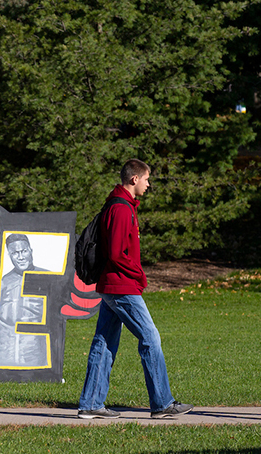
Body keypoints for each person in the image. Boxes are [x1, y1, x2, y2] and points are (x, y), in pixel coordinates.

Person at [78, 159, 192, 419]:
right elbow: (118, 254)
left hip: (114, 284)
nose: (148, 184)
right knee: (151, 338)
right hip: (121, 286)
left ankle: (91, 404)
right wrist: (139, 275)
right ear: (134, 179)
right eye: (146, 179)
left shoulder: (120, 205)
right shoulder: (120, 209)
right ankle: (162, 403)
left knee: (104, 342)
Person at [0, 234, 47, 366]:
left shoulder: (47, 278)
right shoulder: (3, 282)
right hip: (4, 352)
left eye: (24, 251)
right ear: (9, 255)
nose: (21, 257)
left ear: (31, 251)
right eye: (15, 253)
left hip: (35, 351)